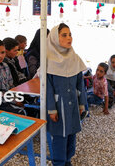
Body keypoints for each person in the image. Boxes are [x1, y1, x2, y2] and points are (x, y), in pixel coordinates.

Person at [46, 23, 87, 166]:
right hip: (58, 106)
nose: (69, 38)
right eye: (64, 35)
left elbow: (80, 84)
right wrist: (51, 109)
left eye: (70, 34)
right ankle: (58, 162)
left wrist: (82, 104)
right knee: (59, 136)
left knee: (71, 134)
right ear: (55, 38)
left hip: (73, 104)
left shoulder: (74, 58)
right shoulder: (48, 60)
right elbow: (48, 88)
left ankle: (68, 160)